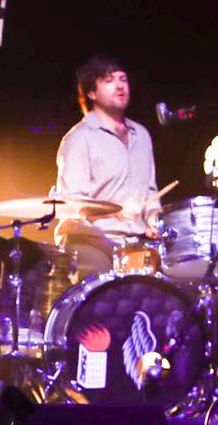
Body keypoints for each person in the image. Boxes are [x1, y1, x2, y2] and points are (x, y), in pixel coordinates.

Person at [52, 55, 160, 276]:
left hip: (136, 243)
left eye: (123, 79)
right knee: (101, 282)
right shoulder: (79, 138)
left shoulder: (142, 135)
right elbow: (71, 206)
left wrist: (153, 217)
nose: (120, 85)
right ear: (91, 93)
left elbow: (150, 190)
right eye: (109, 80)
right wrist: (115, 212)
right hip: (92, 242)